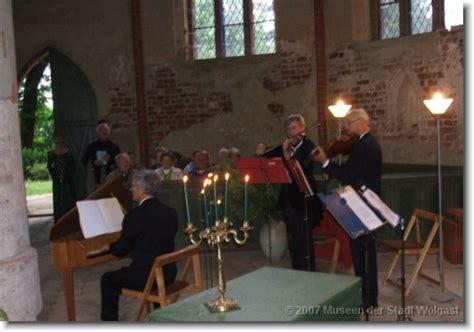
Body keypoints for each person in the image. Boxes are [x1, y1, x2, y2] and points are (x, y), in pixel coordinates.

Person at [311, 108, 381, 309]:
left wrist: (325, 161)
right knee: (361, 253)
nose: (346, 127)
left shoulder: (365, 146)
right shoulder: (364, 143)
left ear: (361, 123)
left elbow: (347, 175)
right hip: (362, 203)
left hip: (364, 205)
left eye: (349, 122)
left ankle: (368, 301)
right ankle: (367, 298)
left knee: (364, 254)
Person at [99, 170, 178, 321]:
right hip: (168, 273)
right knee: (148, 261)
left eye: (133, 186)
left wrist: (110, 247)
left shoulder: (134, 216)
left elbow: (121, 250)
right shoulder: (170, 212)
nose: (131, 189)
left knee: (108, 279)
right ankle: (159, 315)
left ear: (142, 189)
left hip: (146, 278)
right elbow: (157, 240)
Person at [256, 114, 322, 272]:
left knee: (304, 240)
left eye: (294, 128)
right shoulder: (288, 145)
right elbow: (270, 153)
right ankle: (297, 271)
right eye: (288, 129)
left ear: (302, 128)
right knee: (293, 240)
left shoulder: (308, 145)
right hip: (289, 201)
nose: (291, 132)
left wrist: (286, 155)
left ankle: (308, 272)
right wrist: (262, 149)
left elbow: (302, 168)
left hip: (304, 199)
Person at [82, 123, 121, 191]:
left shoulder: (114, 147)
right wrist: (94, 162)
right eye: (101, 131)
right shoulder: (91, 147)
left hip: (110, 179)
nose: (104, 132)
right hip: (94, 179)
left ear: (109, 132)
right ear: (97, 133)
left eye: (106, 130)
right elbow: (84, 161)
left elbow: (120, 163)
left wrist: (110, 159)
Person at [47, 134, 77, 223]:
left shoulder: (69, 153)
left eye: (60, 139)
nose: (59, 141)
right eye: (57, 139)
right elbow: (50, 167)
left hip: (68, 182)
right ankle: (58, 222)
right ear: (54, 140)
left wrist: (66, 176)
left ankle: (70, 221)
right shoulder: (50, 154)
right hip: (57, 182)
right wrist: (56, 176)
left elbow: (73, 167)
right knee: (57, 201)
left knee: (69, 200)